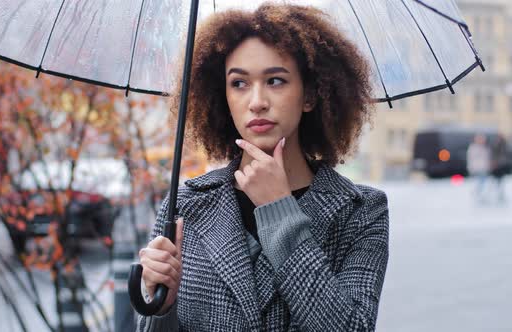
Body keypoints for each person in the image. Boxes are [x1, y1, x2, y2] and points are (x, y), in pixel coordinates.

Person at [137, 4, 389, 331]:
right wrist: (160, 305)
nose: (257, 101)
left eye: (275, 80)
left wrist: (278, 210)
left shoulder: (361, 211)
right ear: (222, 97)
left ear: (310, 95)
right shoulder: (185, 206)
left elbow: (353, 327)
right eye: (239, 84)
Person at [467, 133, 491, 202]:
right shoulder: (473, 148)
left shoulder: (485, 147)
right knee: (479, 182)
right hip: (477, 168)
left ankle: (481, 195)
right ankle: (478, 195)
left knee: (483, 182)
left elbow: (487, 158)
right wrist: (471, 168)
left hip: (484, 168)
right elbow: (471, 159)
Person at [490, 133, 509, 202]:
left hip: (501, 165)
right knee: (495, 180)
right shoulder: (495, 145)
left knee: (500, 181)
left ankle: (499, 194)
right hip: (497, 166)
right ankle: (495, 194)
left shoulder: (504, 145)